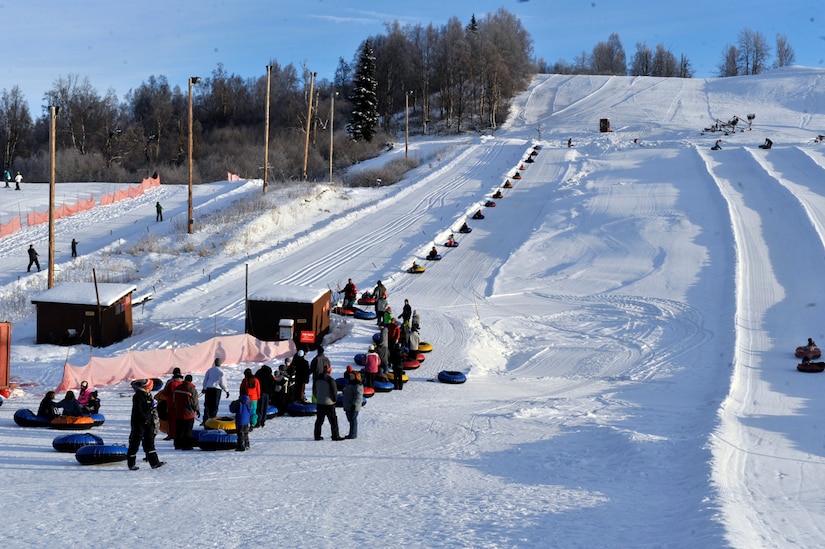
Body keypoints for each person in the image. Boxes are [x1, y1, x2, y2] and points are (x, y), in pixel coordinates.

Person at [127, 379, 164, 470]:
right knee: (135, 443)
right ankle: (131, 464)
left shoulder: (148, 395)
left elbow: (150, 408)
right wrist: (145, 418)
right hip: (139, 424)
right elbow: (139, 410)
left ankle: (154, 462)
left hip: (149, 423)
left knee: (149, 442)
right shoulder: (138, 396)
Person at [313, 363, 343, 441]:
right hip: (329, 403)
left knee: (319, 420)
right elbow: (334, 391)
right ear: (329, 371)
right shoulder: (330, 380)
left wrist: (318, 397)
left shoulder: (317, 379)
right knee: (333, 421)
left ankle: (317, 435)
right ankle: (335, 435)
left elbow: (314, 391)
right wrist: (334, 400)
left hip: (320, 402)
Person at [172, 374, 199, 450]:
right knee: (188, 429)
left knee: (179, 429)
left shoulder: (177, 388)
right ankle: (187, 445)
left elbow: (174, 400)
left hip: (178, 412)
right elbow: (195, 402)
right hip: (188, 413)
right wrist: (197, 410)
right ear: (191, 380)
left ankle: (177, 444)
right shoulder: (192, 390)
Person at [157, 367, 184, 440]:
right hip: (182, 404)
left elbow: (165, 392)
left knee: (171, 420)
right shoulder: (184, 382)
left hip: (171, 403)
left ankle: (171, 434)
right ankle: (180, 434)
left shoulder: (170, 382)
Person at [201, 357, 230, 424]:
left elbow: (205, 380)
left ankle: (205, 420)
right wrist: (226, 390)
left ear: (214, 363)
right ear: (220, 363)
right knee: (214, 406)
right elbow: (223, 382)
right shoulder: (221, 372)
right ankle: (212, 420)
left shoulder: (209, 370)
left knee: (207, 405)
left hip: (208, 389)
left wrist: (204, 388)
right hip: (216, 390)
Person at [342, 370, 364, 439]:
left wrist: (354, 404)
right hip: (348, 405)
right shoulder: (350, 384)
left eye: (352, 376)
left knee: (353, 420)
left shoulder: (358, 385)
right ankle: (352, 433)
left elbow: (358, 396)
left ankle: (353, 434)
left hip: (353, 406)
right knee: (350, 419)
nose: (351, 377)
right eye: (350, 376)